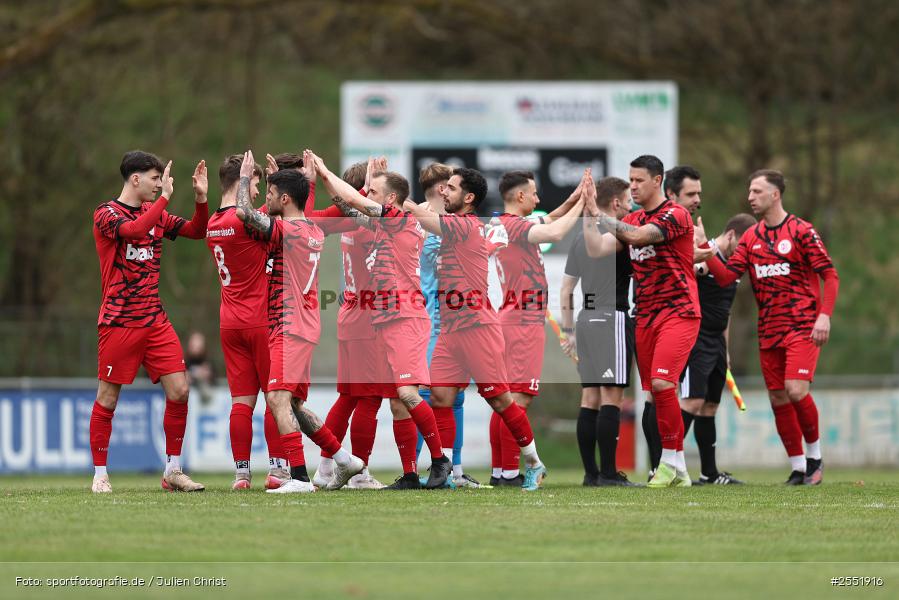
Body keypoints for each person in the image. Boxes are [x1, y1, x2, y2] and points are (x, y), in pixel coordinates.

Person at [312, 153, 453, 490]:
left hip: (391, 316)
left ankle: (434, 461)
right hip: (375, 319)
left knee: (389, 395)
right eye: (367, 189)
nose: (367, 196)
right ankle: (355, 470)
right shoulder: (371, 223)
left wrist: (321, 174)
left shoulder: (389, 222)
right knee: (369, 397)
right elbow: (349, 205)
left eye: (373, 191)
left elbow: (346, 206)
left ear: (389, 199)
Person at [404, 167, 548, 491]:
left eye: (451, 188)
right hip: (451, 330)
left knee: (500, 400)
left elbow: (427, 221)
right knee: (439, 396)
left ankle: (534, 462)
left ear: (468, 198)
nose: (444, 192)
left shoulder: (466, 225)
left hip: (478, 327)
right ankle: (442, 469)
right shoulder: (454, 226)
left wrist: (401, 202)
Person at [235, 150, 364, 493]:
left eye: (273, 194)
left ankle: (300, 478)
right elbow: (297, 211)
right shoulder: (311, 229)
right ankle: (343, 458)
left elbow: (243, 213)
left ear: (286, 198)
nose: (268, 198)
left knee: (276, 399)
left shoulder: (287, 231)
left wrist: (245, 178)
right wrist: (304, 181)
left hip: (288, 325)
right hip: (304, 327)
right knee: (293, 404)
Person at [701, 169, 838, 485]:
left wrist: (824, 315)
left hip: (802, 325)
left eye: (757, 191)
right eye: (749, 192)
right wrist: (707, 252)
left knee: (795, 390)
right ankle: (799, 467)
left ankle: (815, 457)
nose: (750, 197)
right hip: (769, 331)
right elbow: (726, 277)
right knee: (778, 398)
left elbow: (829, 275)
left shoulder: (801, 231)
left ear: (775, 195)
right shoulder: (750, 237)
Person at [90, 150, 209, 493]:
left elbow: (196, 231)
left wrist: (200, 199)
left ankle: (173, 470)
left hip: (155, 319)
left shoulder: (155, 213)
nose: (160, 185)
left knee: (181, 390)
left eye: (162, 180)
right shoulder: (106, 213)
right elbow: (132, 230)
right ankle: (100, 473)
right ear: (136, 179)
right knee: (108, 398)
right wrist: (167, 199)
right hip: (119, 322)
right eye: (156, 179)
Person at [587, 155, 706, 488]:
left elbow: (639, 237)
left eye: (639, 180)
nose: (633, 186)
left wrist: (601, 215)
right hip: (646, 315)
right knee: (656, 389)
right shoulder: (634, 217)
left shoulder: (675, 214)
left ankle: (669, 461)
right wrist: (584, 211)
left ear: (657, 181)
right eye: (630, 180)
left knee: (664, 383)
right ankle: (677, 467)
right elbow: (597, 248)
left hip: (678, 312)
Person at [489, 169, 584, 485]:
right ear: (519, 196)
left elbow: (550, 218)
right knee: (518, 401)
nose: (538, 199)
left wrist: (574, 198)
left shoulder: (506, 223)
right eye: (533, 193)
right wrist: (583, 207)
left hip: (512, 317)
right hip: (522, 320)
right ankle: (509, 472)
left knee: (504, 400)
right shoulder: (516, 226)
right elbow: (555, 233)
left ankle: (503, 473)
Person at [204, 154, 290, 491]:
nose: (257, 192)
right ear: (241, 180)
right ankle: (278, 470)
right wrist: (281, 180)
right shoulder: (246, 221)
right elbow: (285, 214)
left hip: (229, 322)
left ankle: (241, 474)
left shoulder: (213, 223)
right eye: (255, 184)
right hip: (261, 319)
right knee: (275, 397)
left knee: (241, 401)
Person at [665, 165, 755, 484]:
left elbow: (725, 311)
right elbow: (693, 270)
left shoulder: (735, 263)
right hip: (696, 338)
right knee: (690, 401)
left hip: (716, 342)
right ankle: (668, 466)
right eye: (744, 245)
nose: (748, 252)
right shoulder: (707, 252)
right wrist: (701, 253)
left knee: (710, 407)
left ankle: (709, 473)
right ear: (731, 236)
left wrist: (726, 351)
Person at [562, 175, 639, 486]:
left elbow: (566, 289)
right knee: (611, 398)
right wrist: (589, 211)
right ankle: (608, 473)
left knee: (589, 398)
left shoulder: (580, 238)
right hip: (611, 319)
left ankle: (591, 475)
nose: (632, 207)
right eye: (629, 202)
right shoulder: (616, 233)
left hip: (586, 319)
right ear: (617, 203)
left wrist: (569, 331)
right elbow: (597, 250)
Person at [414, 162, 481, 488]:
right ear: (441, 190)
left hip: (453, 324)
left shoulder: (451, 225)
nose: (449, 190)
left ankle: (453, 470)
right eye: (448, 186)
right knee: (426, 397)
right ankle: (417, 469)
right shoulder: (432, 231)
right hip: (433, 323)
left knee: (454, 399)